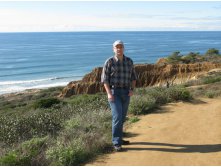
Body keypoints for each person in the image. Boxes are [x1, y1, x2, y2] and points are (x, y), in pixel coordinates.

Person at [101, 40, 137, 151]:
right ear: (113, 49)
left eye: (121, 47)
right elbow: (104, 79)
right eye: (117, 47)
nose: (119, 49)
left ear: (123, 48)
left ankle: (120, 139)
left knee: (122, 117)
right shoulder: (109, 62)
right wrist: (108, 93)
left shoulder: (129, 61)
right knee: (117, 117)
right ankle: (116, 142)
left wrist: (132, 89)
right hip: (114, 93)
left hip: (126, 92)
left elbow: (133, 77)